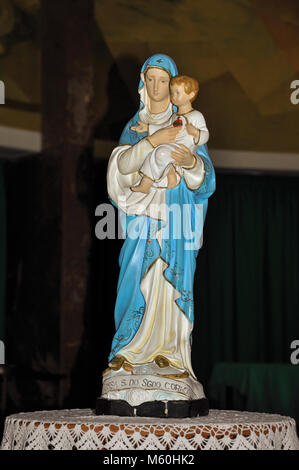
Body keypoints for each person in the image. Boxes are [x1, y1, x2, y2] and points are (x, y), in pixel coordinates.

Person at [103, 54, 216, 406]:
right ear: (142, 83)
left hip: (177, 220)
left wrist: (192, 162)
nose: (156, 87)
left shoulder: (188, 123)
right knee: (135, 273)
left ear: (174, 85)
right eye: (149, 79)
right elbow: (121, 165)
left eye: (162, 80)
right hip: (142, 219)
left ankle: (171, 355)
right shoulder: (135, 125)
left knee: (171, 283)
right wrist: (152, 142)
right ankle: (128, 353)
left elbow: (206, 180)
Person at [131, 75, 209, 194]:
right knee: (156, 152)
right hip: (170, 147)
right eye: (172, 93)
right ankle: (170, 174)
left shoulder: (196, 116)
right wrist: (148, 127)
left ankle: (149, 183)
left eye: (177, 93)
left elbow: (205, 135)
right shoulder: (174, 116)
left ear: (191, 95)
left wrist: (196, 133)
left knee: (160, 152)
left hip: (181, 151)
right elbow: (164, 128)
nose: (173, 96)